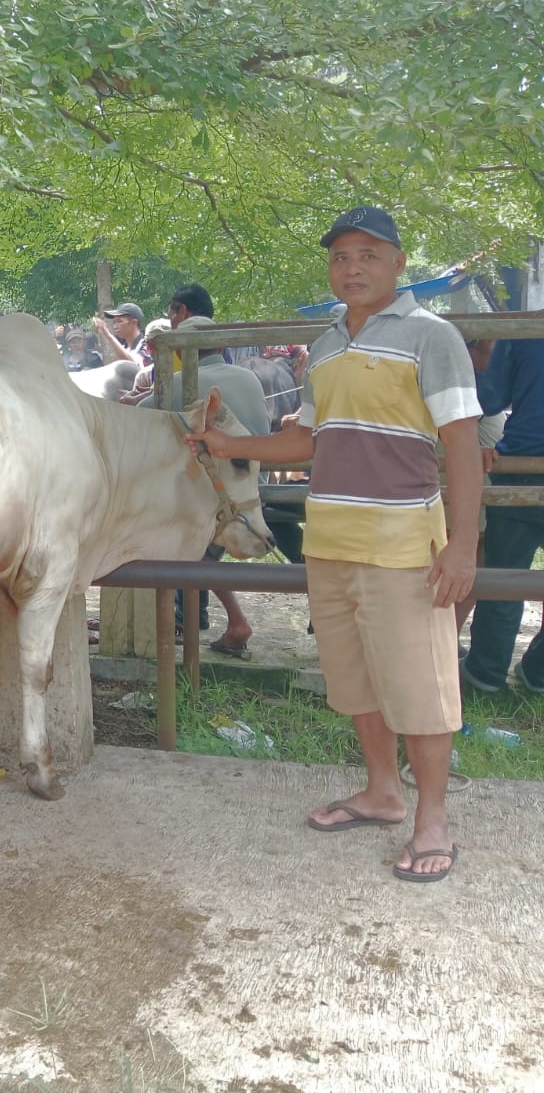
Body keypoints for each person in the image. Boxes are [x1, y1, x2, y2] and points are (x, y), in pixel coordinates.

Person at [190, 206, 481, 883]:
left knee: (420, 688)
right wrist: (230, 445)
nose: (352, 267)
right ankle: (383, 792)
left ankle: (431, 818)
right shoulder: (324, 344)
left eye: (368, 255)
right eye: (341, 257)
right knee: (354, 682)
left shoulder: (432, 337)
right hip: (330, 538)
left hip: (405, 539)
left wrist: (463, 546)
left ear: (399, 263)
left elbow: (462, 443)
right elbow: (308, 442)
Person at [143, 314, 269, 656]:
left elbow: (139, 417)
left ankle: (226, 620)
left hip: (224, 493)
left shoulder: (181, 382)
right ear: (220, 345)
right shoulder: (250, 377)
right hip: (262, 482)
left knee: (188, 540)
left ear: (182, 353)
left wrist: (129, 401)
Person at [460, 335, 544, 693]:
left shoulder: (522, 330)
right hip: (522, 462)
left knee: (504, 579)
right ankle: (539, 674)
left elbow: (489, 400)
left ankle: (485, 675)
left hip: (524, 465)